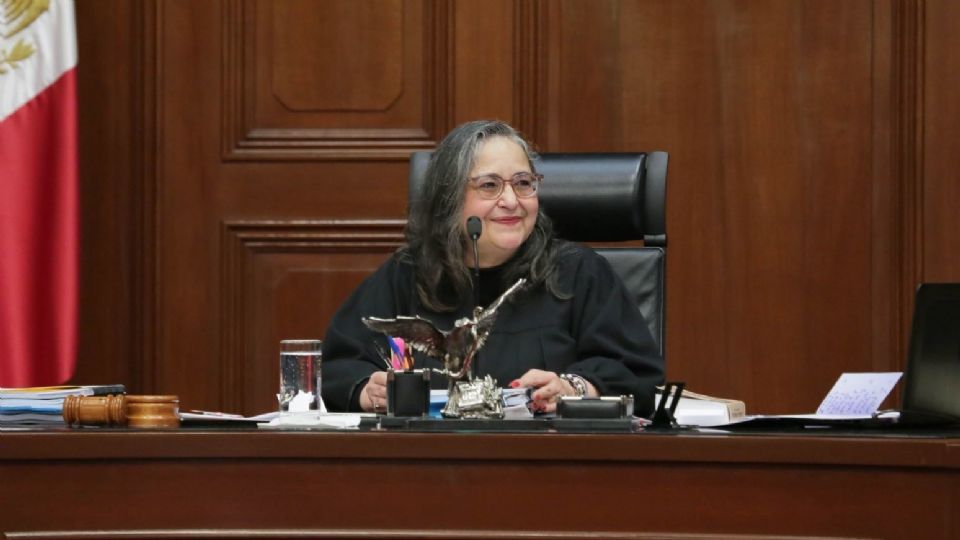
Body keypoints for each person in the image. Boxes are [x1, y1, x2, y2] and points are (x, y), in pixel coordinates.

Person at [321, 120, 664, 416]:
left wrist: (573, 389)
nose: (512, 201)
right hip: (429, 471)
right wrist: (369, 392)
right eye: (489, 185)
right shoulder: (407, 274)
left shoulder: (579, 273)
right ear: (450, 198)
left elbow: (636, 376)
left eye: (523, 183)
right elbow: (342, 365)